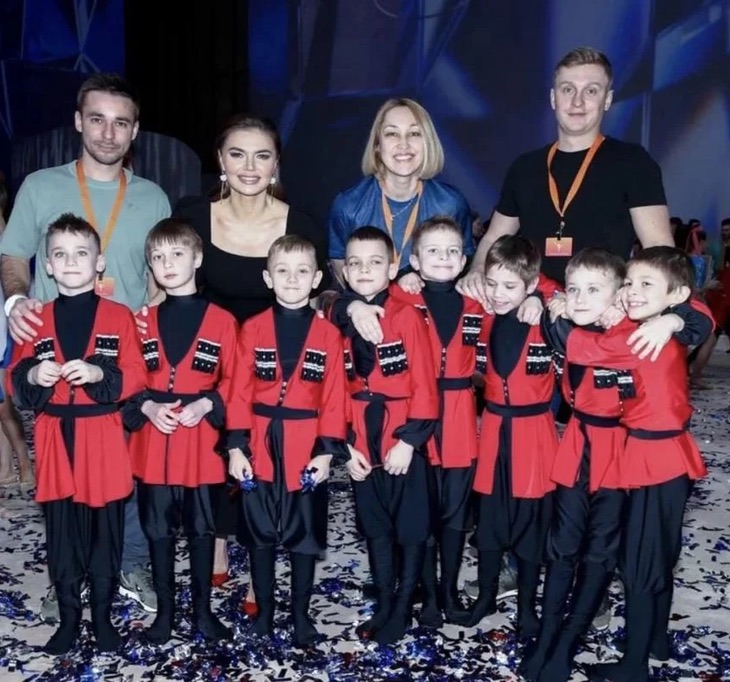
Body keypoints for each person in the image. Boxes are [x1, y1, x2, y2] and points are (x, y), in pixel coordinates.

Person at [0, 73, 170, 619]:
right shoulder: (40, 187)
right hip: (58, 348)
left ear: (135, 131)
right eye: (97, 119)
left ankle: (131, 564)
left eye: (121, 122)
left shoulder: (152, 196)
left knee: (130, 468)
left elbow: (159, 273)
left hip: (123, 351)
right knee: (64, 470)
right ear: (78, 121)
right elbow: (13, 254)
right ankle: (66, 577)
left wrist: (152, 322)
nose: (108, 132)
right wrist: (16, 300)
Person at [171, 115, 330, 609]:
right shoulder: (192, 215)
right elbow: (171, 281)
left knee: (270, 458)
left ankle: (264, 559)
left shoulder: (301, 223)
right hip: (210, 356)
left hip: (274, 361)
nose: (249, 166)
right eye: (237, 154)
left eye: (262, 155)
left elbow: (313, 299)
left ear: (276, 163)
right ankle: (219, 541)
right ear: (220, 160)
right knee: (217, 451)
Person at [557, 247, 712, 682]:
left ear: (676, 295)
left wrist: (559, 310)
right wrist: (671, 318)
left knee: (640, 563)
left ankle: (633, 667)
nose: (632, 292)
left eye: (646, 284)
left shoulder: (641, 339)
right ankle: (656, 640)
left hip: (652, 459)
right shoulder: (658, 329)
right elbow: (696, 312)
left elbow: (581, 347)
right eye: (628, 283)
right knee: (660, 553)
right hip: (664, 453)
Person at [8, 214, 146, 654]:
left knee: (106, 533)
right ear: (47, 265)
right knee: (62, 533)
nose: (70, 262)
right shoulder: (36, 319)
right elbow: (15, 376)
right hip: (54, 436)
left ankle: (103, 618)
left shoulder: (119, 316)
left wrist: (98, 372)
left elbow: (137, 374)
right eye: (60, 254)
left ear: (99, 262)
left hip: (102, 434)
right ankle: (68, 618)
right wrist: (34, 373)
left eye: (81, 253)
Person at [458, 46, 673, 304]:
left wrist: (644, 303)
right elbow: (494, 237)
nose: (577, 101)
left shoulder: (633, 162)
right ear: (553, 98)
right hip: (532, 307)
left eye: (591, 91)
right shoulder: (525, 167)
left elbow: (658, 247)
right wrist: (478, 269)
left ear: (607, 100)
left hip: (601, 310)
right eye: (567, 89)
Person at [226, 235, 348, 647]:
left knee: (303, 533)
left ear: (315, 279)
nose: (292, 279)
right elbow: (238, 391)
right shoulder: (252, 328)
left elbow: (335, 397)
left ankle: (300, 615)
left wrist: (326, 454)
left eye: (301, 271)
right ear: (268, 278)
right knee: (259, 531)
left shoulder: (328, 334)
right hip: (260, 443)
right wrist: (236, 447)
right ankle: (264, 612)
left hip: (305, 444)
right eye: (282, 270)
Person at [122, 219, 235, 644]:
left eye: (177, 254)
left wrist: (208, 403)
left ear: (197, 258)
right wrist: (147, 406)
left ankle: (203, 612)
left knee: (202, 529)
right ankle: (165, 614)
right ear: (150, 266)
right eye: (158, 257)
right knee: (157, 529)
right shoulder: (141, 321)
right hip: (153, 444)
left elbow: (237, 380)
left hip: (201, 445)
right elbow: (127, 378)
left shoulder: (222, 321)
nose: (167, 263)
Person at [367, 216, 482, 627]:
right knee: (422, 513)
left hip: (460, 417)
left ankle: (448, 591)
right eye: (433, 250)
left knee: (455, 513)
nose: (444, 257)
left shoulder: (478, 302)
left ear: (465, 260)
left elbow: (523, 281)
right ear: (414, 259)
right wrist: (401, 278)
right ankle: (426, 592)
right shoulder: (399, 298)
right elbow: (345, 297)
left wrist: (537, 298)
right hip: (417, 413)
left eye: (453, 251)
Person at [520, 248, 630, 681]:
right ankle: (548, 635)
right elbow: (537, 279)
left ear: (619, 295)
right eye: (575, 289)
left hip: (619, 449)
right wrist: (548, 296)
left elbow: (693, 312)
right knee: (562, 546)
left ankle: (568, 642)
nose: (581, 298)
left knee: (600, 551)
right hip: (577, 442)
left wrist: (663, 319)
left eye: (593, 290)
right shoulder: (565, 321)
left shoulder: (629, 333)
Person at [330, 227, 439, 645]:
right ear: (344, 271)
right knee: (375, 527)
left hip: (400, 435)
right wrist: (347, 446)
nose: (364, 270)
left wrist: (410, 441)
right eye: (354, 263)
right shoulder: (339, 320)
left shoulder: (406, 316)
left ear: (393, 268)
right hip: (362, 435)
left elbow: (425, 384)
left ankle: (403, 607)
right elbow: (334, 388)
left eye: (375, 262)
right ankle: (385, 603)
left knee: (410, 528)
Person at [454, 235, 556, 637]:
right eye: (492, 283)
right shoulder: (481, 314)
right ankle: (485, 597)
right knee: (490, 522)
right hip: (493, 428)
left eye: (510, 286)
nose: (498, 294)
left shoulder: (547, 318)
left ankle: (528, 606)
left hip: (535, 432)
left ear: (529, 284)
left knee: (531, 524)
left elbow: (576, 297)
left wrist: (542, 296)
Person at [328, 98, 474, 285]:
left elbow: (463, 268)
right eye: (392, 134)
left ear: (427, 143)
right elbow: (340, 266)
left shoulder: (451, 204)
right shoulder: (348, 206)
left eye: (414, 133)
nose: (403, 144)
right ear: (377, 145)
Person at [0, 171, 34, 488]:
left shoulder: (4, 228)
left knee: (4, 406)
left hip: (2, 327)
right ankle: (6, 470)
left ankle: (24, 464)